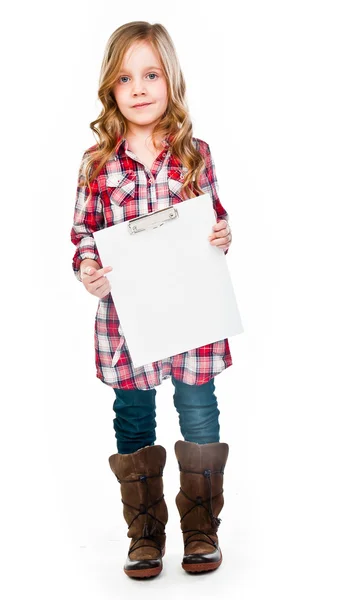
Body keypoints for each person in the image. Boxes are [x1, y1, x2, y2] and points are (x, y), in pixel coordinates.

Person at [70, 21, 233, 579]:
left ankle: (201, 530)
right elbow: (84, 235)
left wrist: (222, 234)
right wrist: (88, 270)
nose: (138, 88)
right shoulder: (97, 162)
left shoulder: (195, 153)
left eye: (150, 74)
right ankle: (144, 535)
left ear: (170, 80)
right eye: (124, 78)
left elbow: (216, 219)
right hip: (127, 321)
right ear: (110, 90)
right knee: (133, 416)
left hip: (191, 315)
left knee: (199, 410)